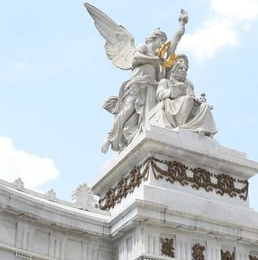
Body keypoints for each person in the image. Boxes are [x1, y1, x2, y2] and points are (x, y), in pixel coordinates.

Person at [92, 8, 189, 153]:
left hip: (151, 88)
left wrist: (182, 24)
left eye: (164, 41)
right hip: (137, 84)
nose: (163, 43)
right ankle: (109, 137)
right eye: (161, 40)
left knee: (141, 120)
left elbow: (173, 44)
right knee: (128, 109)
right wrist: (155, 60)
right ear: (153, 38)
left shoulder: (160, 56)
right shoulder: (144, 48)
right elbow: (136, 59)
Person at [150, 54, 217, 136]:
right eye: (180, 68)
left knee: (205, 106)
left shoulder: (189, 85)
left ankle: (197, 127)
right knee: (187, 99)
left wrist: (199, 102)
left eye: (185, 69)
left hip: (188, 108)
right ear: (173, 71)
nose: (183, 70)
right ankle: (182, 127)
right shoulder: (165, 82)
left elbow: (192, 98)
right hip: (173, 108)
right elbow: (159, 94)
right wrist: (173, 91)